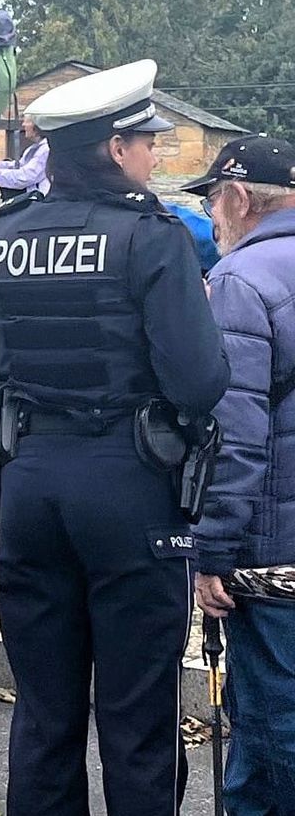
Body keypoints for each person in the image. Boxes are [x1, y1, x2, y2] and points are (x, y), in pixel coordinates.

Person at [0, 59, 230, 814]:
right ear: (114, 148)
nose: (154, 151)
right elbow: (200, 382)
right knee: (137, 718)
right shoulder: (153, 238)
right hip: (128, 488)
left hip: (31, 487)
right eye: (145, 139)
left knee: (44, 715)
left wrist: (3, 497)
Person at [184, 134, 295, 812]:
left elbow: (236, 433)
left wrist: (212, 552)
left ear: (239, 197)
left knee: (275, 721)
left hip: (275, 553)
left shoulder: (239, 281)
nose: (213, 217)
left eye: (215, 199)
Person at [0, 117, 49, 201]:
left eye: (27, 121)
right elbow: (19, 165)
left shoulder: (45, 150)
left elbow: (25, 177)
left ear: (37, 126)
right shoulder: (35, 148)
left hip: (39, 199)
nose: (23, 124)